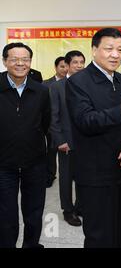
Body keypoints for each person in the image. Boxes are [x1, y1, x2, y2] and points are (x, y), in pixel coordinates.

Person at [65, 28, 121, 248]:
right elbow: (85, 121)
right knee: (99, 234)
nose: (115, 54)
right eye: (109, 49)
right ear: (94, 50)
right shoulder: (78, 82)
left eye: (120, 49)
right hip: (95, 172)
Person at [0, 42, 51, 248]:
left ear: (30, 61)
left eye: (25, 59)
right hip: (3, 164)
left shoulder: (40, 90)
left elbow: (45, 123)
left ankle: (31, 244)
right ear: (5, 61)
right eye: (14, 59)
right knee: (5, 213)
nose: (20, 63)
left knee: (34, 210)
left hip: (35, 162)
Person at [49, 51, 85, 227]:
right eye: (75, 62)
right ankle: (68, 210)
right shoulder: (57, 87)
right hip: (67, 141)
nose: (79, 65)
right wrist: (59, 140)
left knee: (84, 175)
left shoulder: (88, 84)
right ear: (68, 65)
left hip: (87, 140)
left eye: (82, 62)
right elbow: (53, 117)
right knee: (66, 177)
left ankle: (80, 206)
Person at [43, 56, 68, 188]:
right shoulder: (45, 84)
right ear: (56, 67)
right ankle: (50, 175)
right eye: (61, 66)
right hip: (51, 125)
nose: (64, 69)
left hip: (68, 127)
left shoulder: (74, 84)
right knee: (50, 153)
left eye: (66, 66)